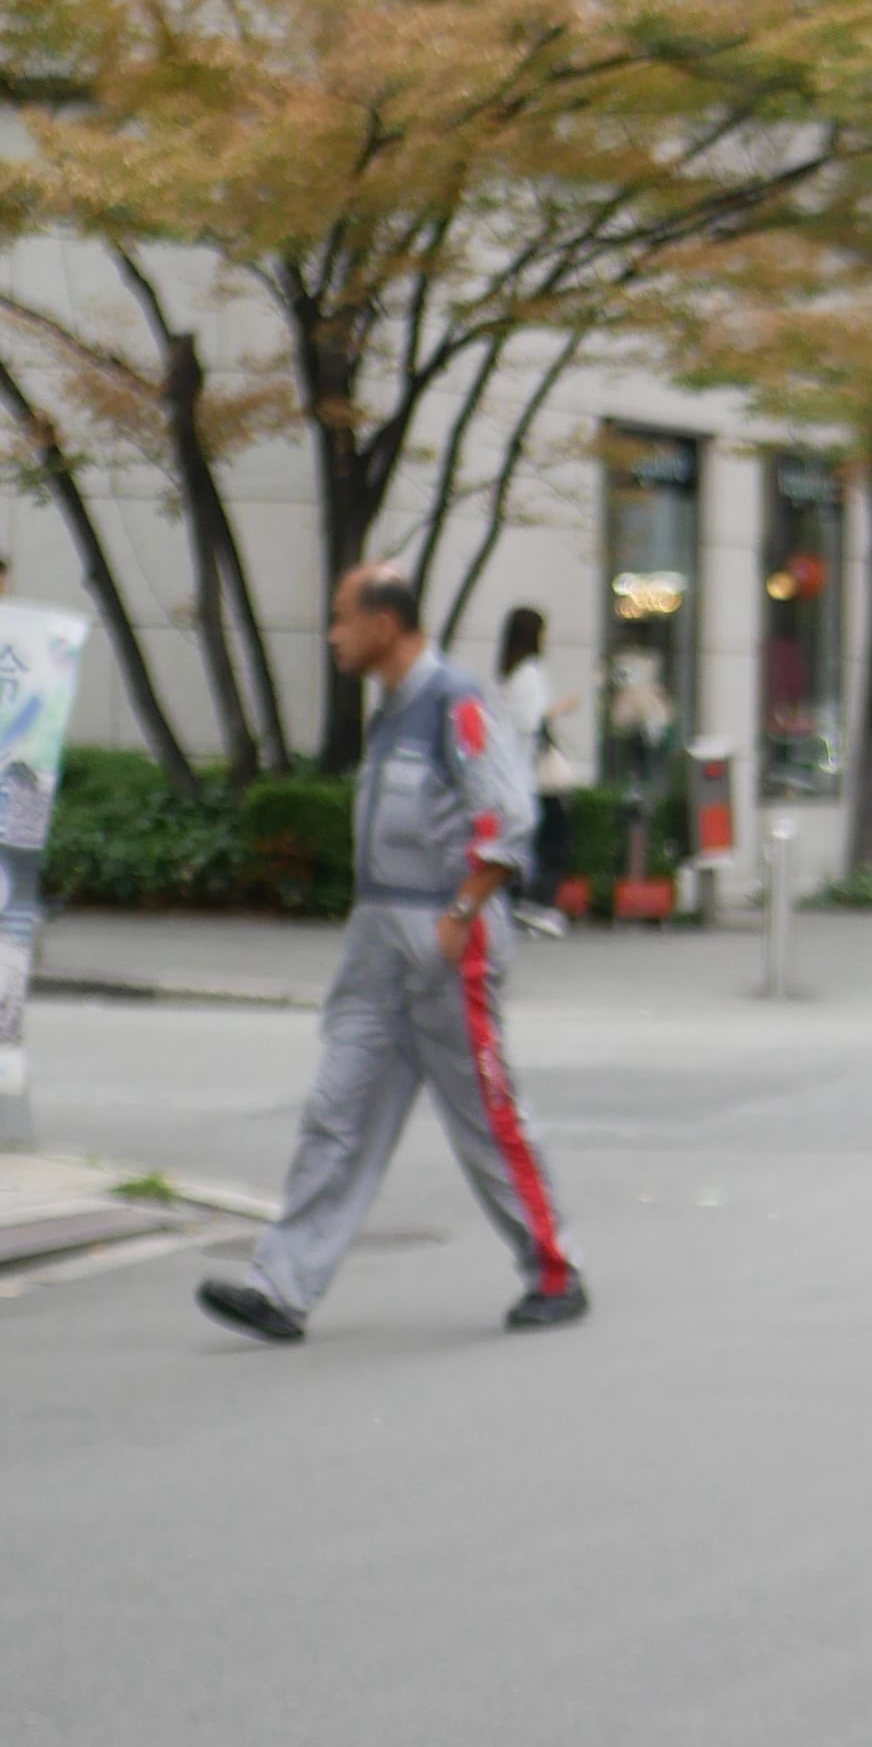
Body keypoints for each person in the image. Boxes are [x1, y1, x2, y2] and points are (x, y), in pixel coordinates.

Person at [197, 566, 588, 1345]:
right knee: (336, 1112)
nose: (333, 634)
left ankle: (554, 1270)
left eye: (343, 618)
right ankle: (281, 1288)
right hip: (378, 937)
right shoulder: (390, 711)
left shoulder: (455, 703)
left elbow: (507, 817)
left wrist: (462, 909)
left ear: (384, 624)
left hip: (445, 935)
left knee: (485, 1114)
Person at [491, 603, 578, 936]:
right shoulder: (529, 674)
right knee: (555, 841)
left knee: (530, 840)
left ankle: (524, 901)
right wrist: (561, 708)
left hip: (515, 773)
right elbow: (532, 722)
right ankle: (537, 903)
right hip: (534, 776)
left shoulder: (508, 675)